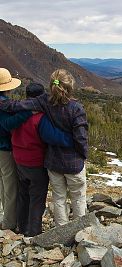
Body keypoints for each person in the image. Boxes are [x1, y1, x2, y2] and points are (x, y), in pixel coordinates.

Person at [0, 69, 88, 226]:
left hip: (46, 162)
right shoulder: (75, 108)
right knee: (77, 197)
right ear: (70, 86)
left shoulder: (43, 103)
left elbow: (16, 106)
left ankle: (58, 230)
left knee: (57, 197)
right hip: (69, 162)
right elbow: (79, 139)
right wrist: (81, 153)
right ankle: (79, 231)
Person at [3, 83, 74, 236]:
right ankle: (33, 232)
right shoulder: (39, 117)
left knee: (24, 195)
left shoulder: (16, 114)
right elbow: (53, 137)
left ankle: (22, 227)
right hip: (36, 163)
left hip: (19, 160)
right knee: (37, 197)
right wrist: (72, 139)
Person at [0, 68, 32, 230]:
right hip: (4, 149)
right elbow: (6, 125)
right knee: (10, 186)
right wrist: (27, 113)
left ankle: (7, 217)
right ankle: (9, 223)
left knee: (3, 184)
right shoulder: (2, 103)